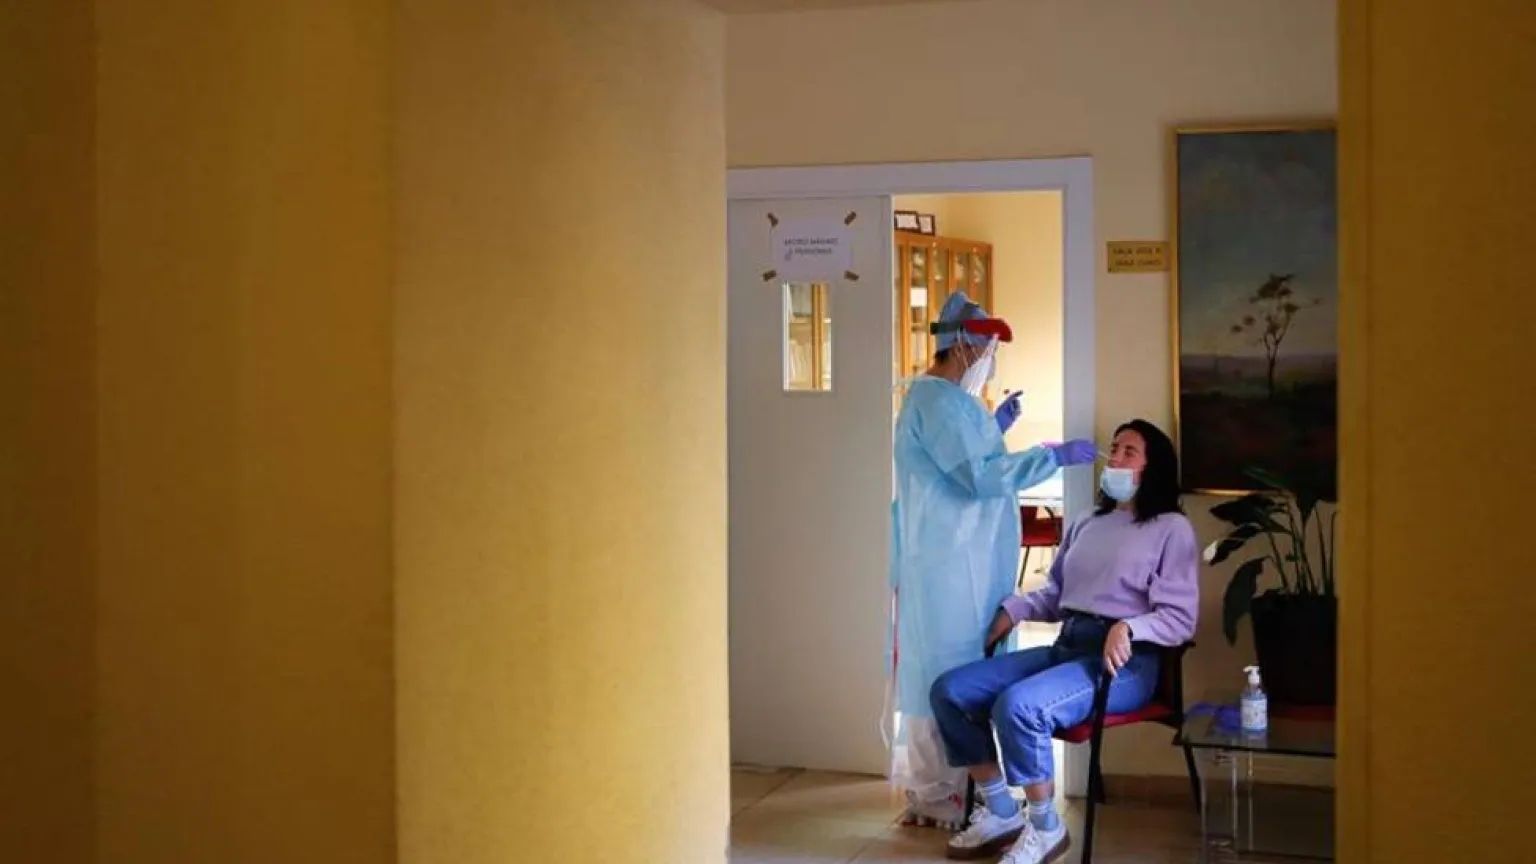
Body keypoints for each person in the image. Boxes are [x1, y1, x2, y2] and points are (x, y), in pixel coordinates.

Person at [928, 419, 1199, 863]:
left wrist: (1130, 627)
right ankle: (1000, 811)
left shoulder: (1172, 528)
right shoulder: (1087, 521)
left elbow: (1180, 619)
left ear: (1153, 467)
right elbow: (1056, 593)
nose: (1114, 458)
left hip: (1125, 666)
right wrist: (1014, 610)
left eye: (1129, 452)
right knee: (950, 691)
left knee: (1019, 706)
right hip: (1068, 645)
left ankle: (1045, 828)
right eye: (1114, 448)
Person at [888, 291, 1099, 830]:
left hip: (959, 562)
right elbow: (977, 477)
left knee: (964, 667)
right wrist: (1050, 457)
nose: (989, 359)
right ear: (962, 345)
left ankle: (961, 790)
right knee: (947, 673)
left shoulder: (946, 402)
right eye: (986, 348)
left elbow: (958, 464)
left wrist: (995, 430)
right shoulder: (937, 401)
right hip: (947, 566)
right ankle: (940, 794)